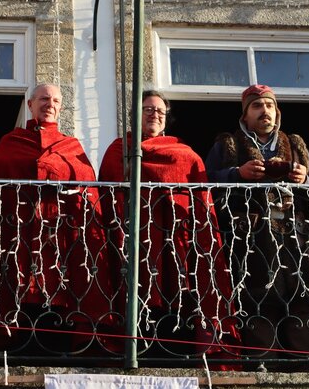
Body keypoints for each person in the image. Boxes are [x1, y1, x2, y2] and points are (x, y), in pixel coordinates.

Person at [98, 91, 238, 359]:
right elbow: (108, 196)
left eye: (160, 111)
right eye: (148, 109)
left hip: (177, 240)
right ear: (135, 116)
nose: (154, 114)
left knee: (179, 298)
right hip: (134, 240)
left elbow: (198, 199)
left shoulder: (184, 153)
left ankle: (178, 349)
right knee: (136, 296)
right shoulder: (121, 149)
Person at [0, 83, 108, 356]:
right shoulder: (10, 142)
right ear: (30, 105)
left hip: (60, 238)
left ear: (61, 107)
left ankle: (61, 344)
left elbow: (87, 186)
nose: (49, 104)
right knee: (17, 293)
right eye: (43, 99)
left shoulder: (71, 145)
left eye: (54, 100)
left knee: (59, 292)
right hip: (19, 235)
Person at [204, 84, 309, 355]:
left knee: (302, 297)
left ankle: (306, 365)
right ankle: (262, 363)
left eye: (269, 106)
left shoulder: (295, 144)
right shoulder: (228, 145)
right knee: (257, 299)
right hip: (252, 236)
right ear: (245, 116)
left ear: (277, 112)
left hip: (295, 236)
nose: (264, 111)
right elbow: (206, 180)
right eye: (257, 106)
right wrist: (237, 174)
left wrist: (304, 180)